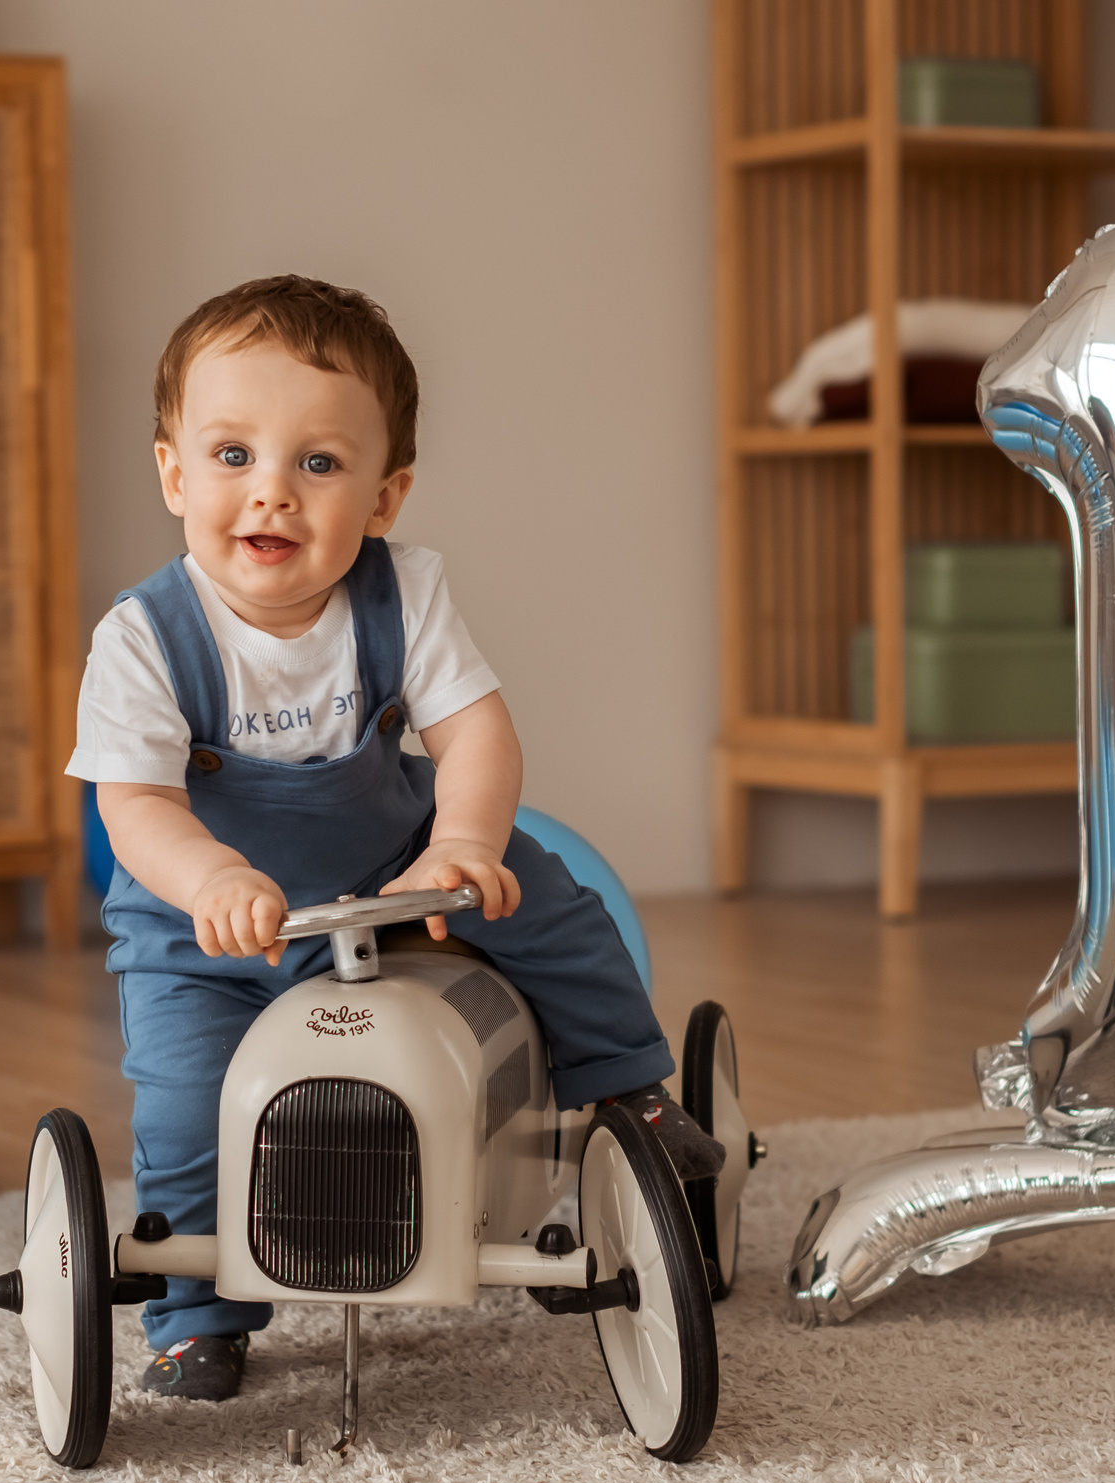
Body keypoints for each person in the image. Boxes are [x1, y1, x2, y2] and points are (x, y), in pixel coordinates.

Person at [68, 274, 720, 1403]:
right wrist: (211, 875)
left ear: (383, 496)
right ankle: (197, 1305)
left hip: (390, 860)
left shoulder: (401, 593)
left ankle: (630, 1090)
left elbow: (476, 735)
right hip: (207, 918)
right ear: (173, 471)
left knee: (551, 902)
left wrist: (462, 843)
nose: (271, 494)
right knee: (184, 1098)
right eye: (232, 456)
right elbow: (134, 808)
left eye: (317, 465)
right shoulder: (141, 637)